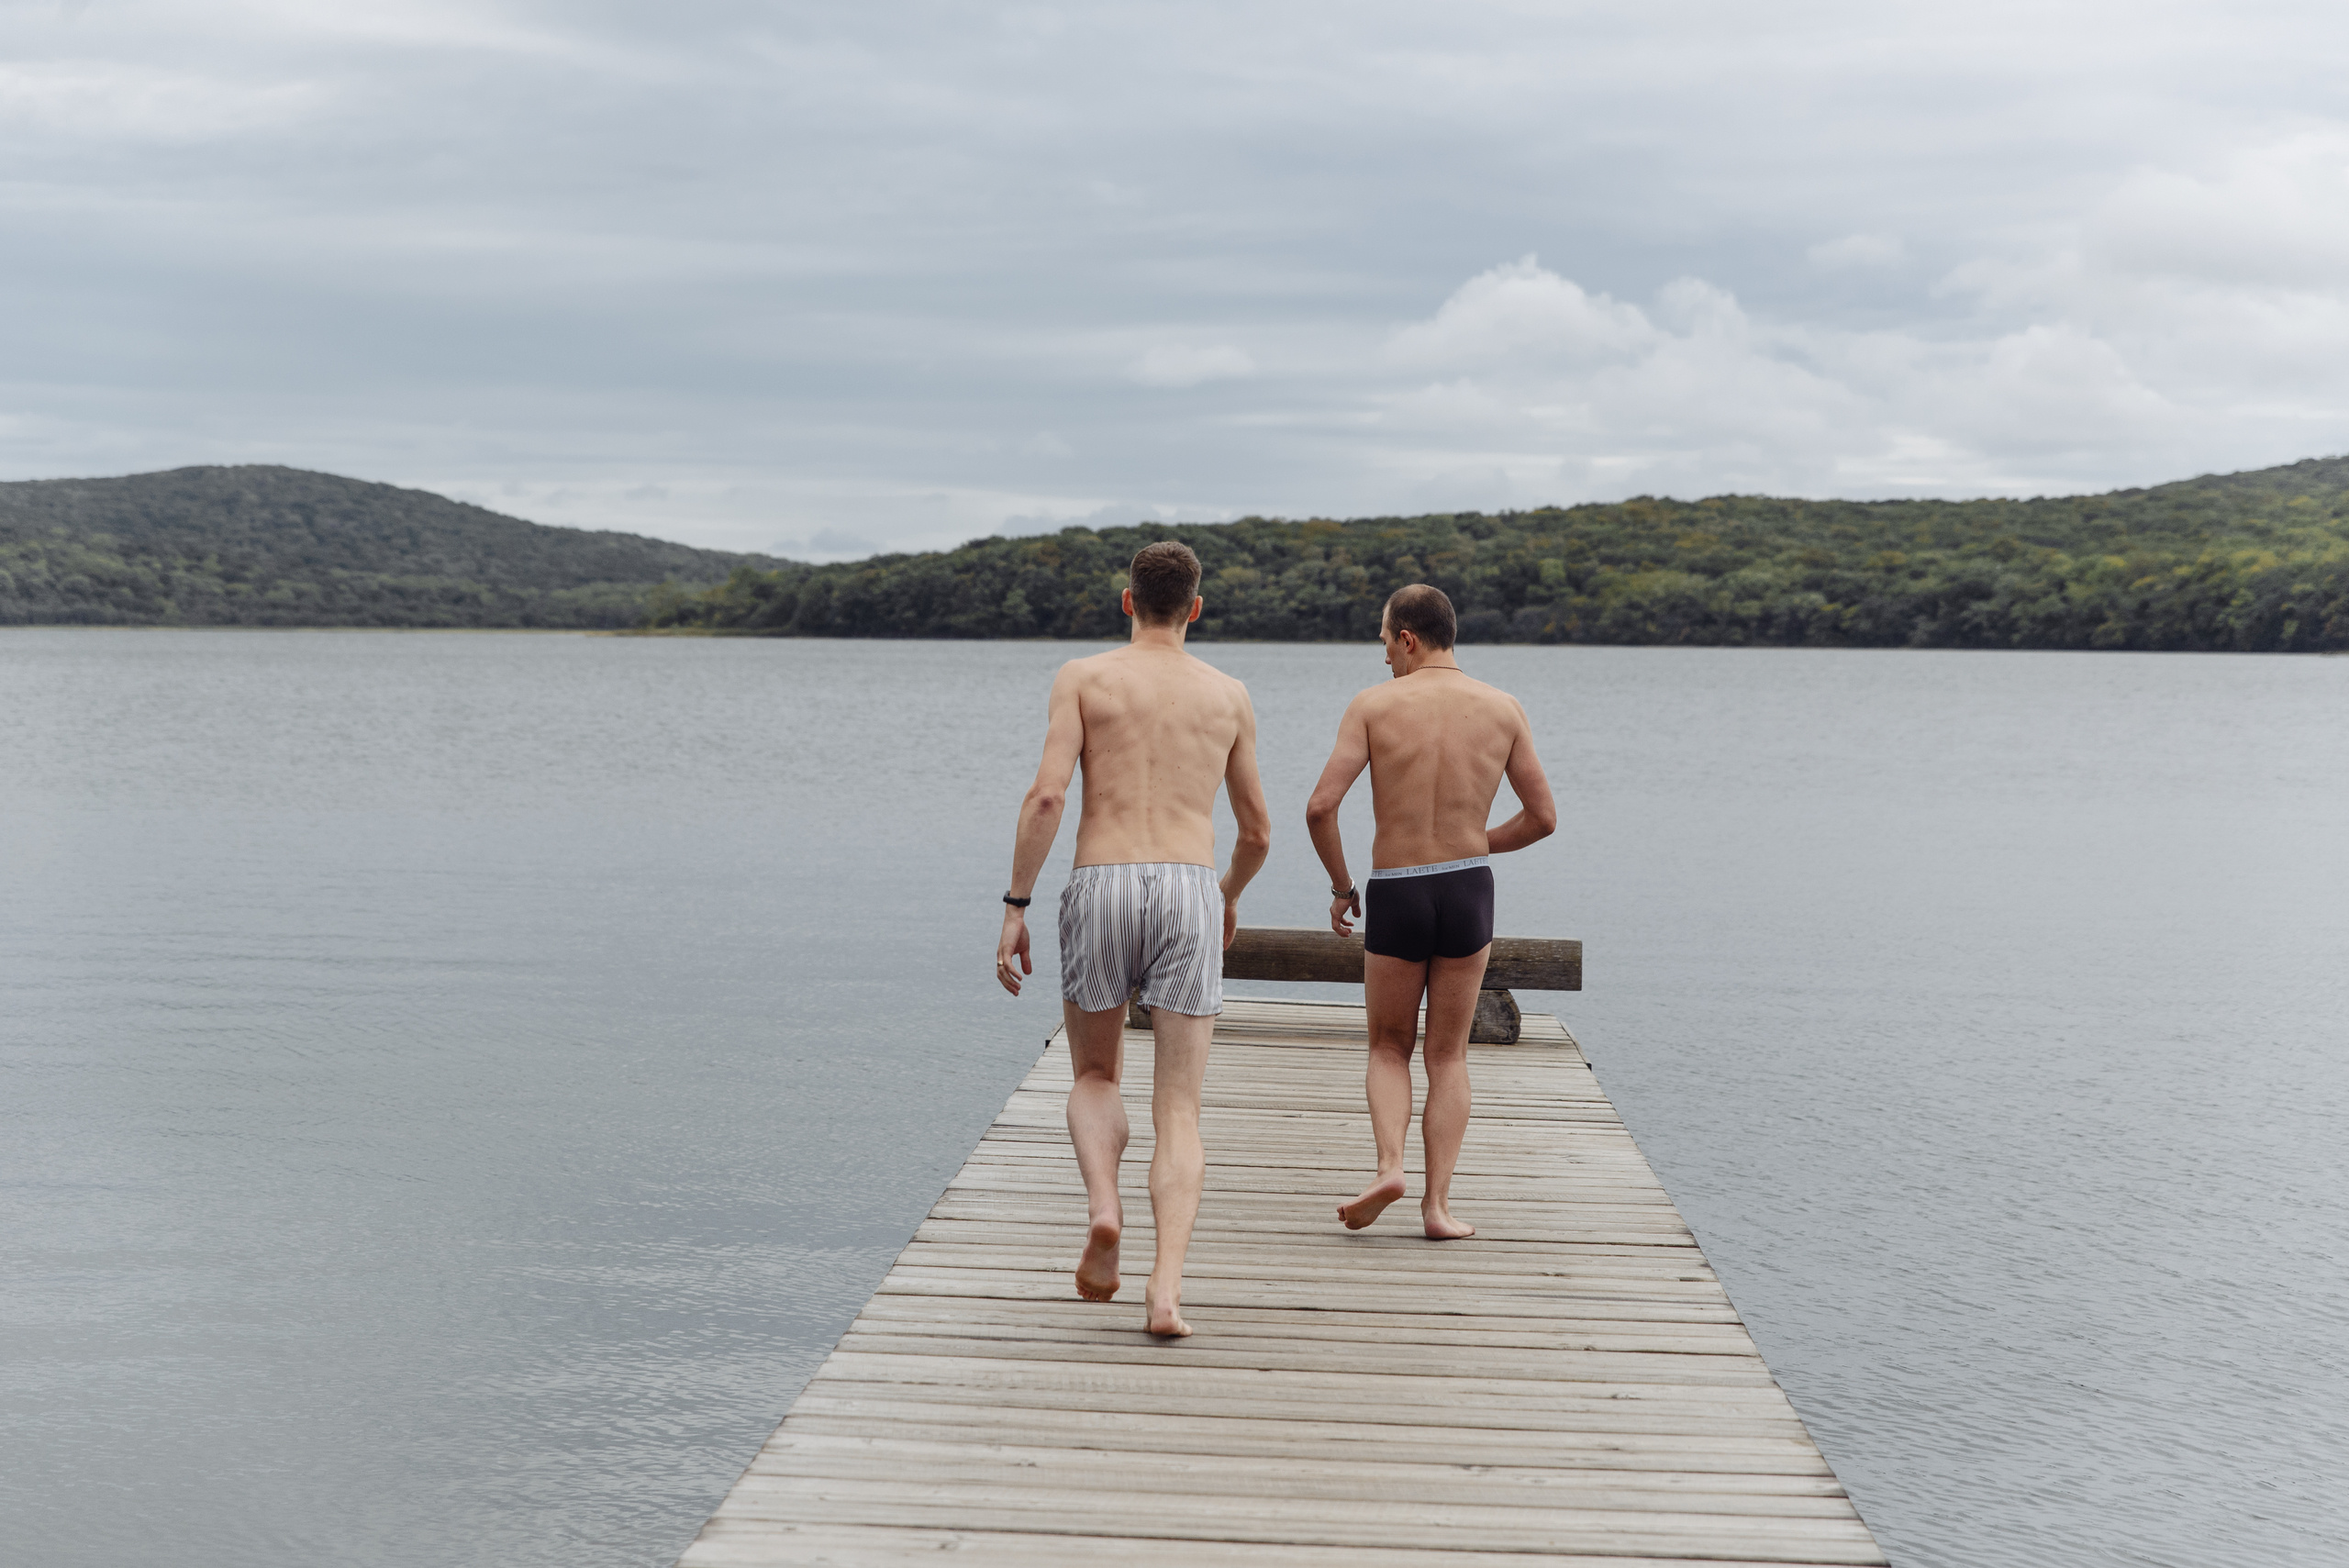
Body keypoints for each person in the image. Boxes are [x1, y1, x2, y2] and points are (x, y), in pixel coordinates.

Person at [996, 541, 1272, 1337]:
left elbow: (1048, 796)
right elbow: (1257, 831)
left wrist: (1016, 903)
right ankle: (1166, 1291)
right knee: (1179, 1107)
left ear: (1126, 601)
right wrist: (1226, 895)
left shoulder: (1084, 678)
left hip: (1102, 881)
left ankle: (1104, 1206)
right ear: (1195, 607)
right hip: (1188, 886)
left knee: (1093, 1072)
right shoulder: (1229, 695)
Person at [1304, 584, 1556, 1240]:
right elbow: (1543, 818)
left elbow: (1320, 807)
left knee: (1389, 1046)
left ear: (1408, 638)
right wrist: (1476, 843)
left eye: (1385, 642)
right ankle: (1438, 1207)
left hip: (1399, 887)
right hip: (1468, 888)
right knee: (1449, 1056)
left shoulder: (1374, 706)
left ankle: (1390, 1166)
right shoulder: (1504, 708)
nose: (1384, 656)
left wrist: (1340, 885)